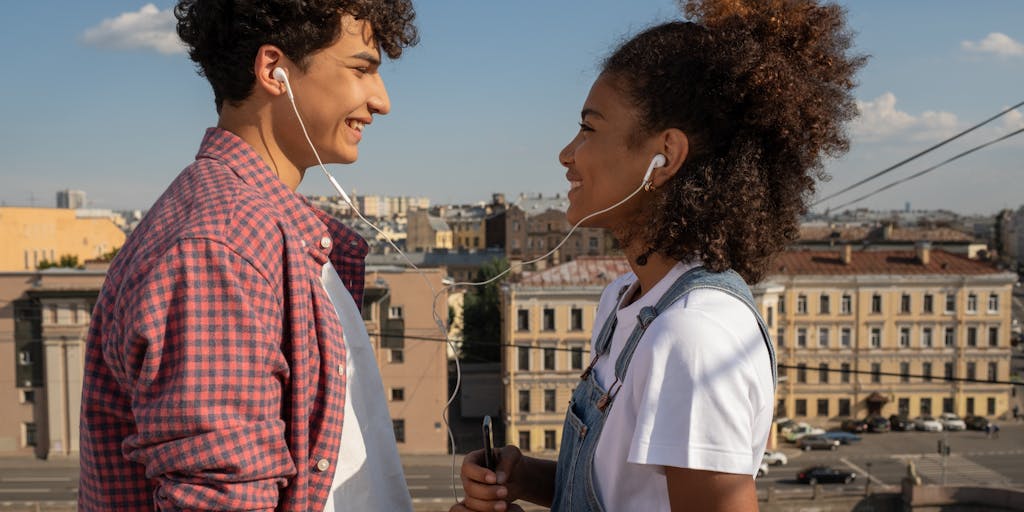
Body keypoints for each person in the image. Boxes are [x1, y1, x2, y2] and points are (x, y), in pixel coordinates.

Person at [453, 0, 863, 511]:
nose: (567, 153)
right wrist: (526, 479)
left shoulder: (695, 337)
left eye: (589, 127)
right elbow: (635, 492)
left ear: (664, 156)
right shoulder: (625, 303)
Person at [78, 1, 417, 510]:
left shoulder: (260, 229)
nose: (382, 100)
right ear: (273, 70)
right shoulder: (223, 247)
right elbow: (221, 498)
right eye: (362, 68)